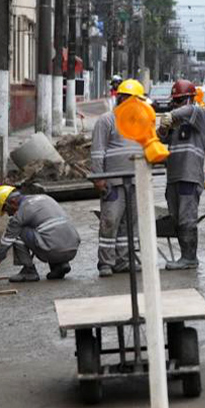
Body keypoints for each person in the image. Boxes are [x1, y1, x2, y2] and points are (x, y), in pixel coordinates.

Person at [91, 79, 144, 278]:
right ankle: (105, 262)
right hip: (113, 182)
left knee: (130, 224)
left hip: (135, 181)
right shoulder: (107, 120)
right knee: (110, 221)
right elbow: (97, 151)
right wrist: (99, 178)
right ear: (120, 98)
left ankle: (125, 260)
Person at [0, 186, 81, 283]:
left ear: (13, 202)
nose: (8, 214)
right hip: (72, 248)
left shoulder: (19, 215)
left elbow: (3, 246)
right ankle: (60, 264)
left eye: (6, 209)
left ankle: (29, 271)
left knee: (16, 232)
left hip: (53, 251)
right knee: (45, 230)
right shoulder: (45, 198)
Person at [158, 79, 205, 270]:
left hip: (189, 174)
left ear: (188, 99)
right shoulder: (176, 123)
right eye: (174, 102)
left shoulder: (198, 114)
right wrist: (164, 127)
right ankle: (184, 256)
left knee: (187, 217)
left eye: (178, 101)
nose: (175, 105)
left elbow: (187, 112)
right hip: (174, 176)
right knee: (177, 217)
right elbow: (159, 136)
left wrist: (170, 114)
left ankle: (190, 257)